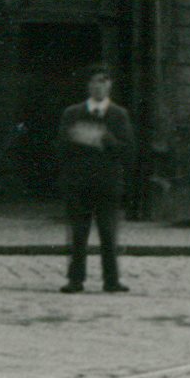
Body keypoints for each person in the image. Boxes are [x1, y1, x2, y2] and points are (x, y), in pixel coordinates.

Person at [55, 65, 136, 296]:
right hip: (79, 183)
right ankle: (75, 280)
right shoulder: (72, 113)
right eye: (94, 82)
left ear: (109, 85)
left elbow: (128, 151)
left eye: (103, 81)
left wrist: (107, 139)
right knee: (77, 234)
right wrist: (80, 139)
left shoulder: (119, 115)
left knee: (108, 234)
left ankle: (111, 281)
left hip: (107, 184)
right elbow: (61, 147)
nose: (98, 86)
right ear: (88, 86)